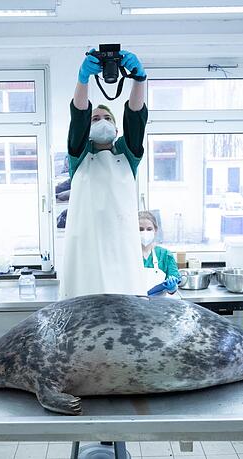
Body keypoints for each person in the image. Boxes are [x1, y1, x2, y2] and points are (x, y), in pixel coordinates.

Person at [59, 48, 149, 299]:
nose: (101, 121)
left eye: (107, 118)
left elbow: (135, 116)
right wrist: (83, 79)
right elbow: (78, 115)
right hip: (85, 253)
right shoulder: (80, 155)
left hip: (121, 252)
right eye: (95, 118)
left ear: (116, 126)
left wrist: (139, 79)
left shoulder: (126, 154)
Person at [139, 211, 181, 295]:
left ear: (155, 230)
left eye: (149, 229)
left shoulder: (165, 255)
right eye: (141, 229)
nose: (145, 232)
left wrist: (172, 287)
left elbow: (172, 291)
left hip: (158, 305)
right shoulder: (128, 256)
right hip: (134, 305)